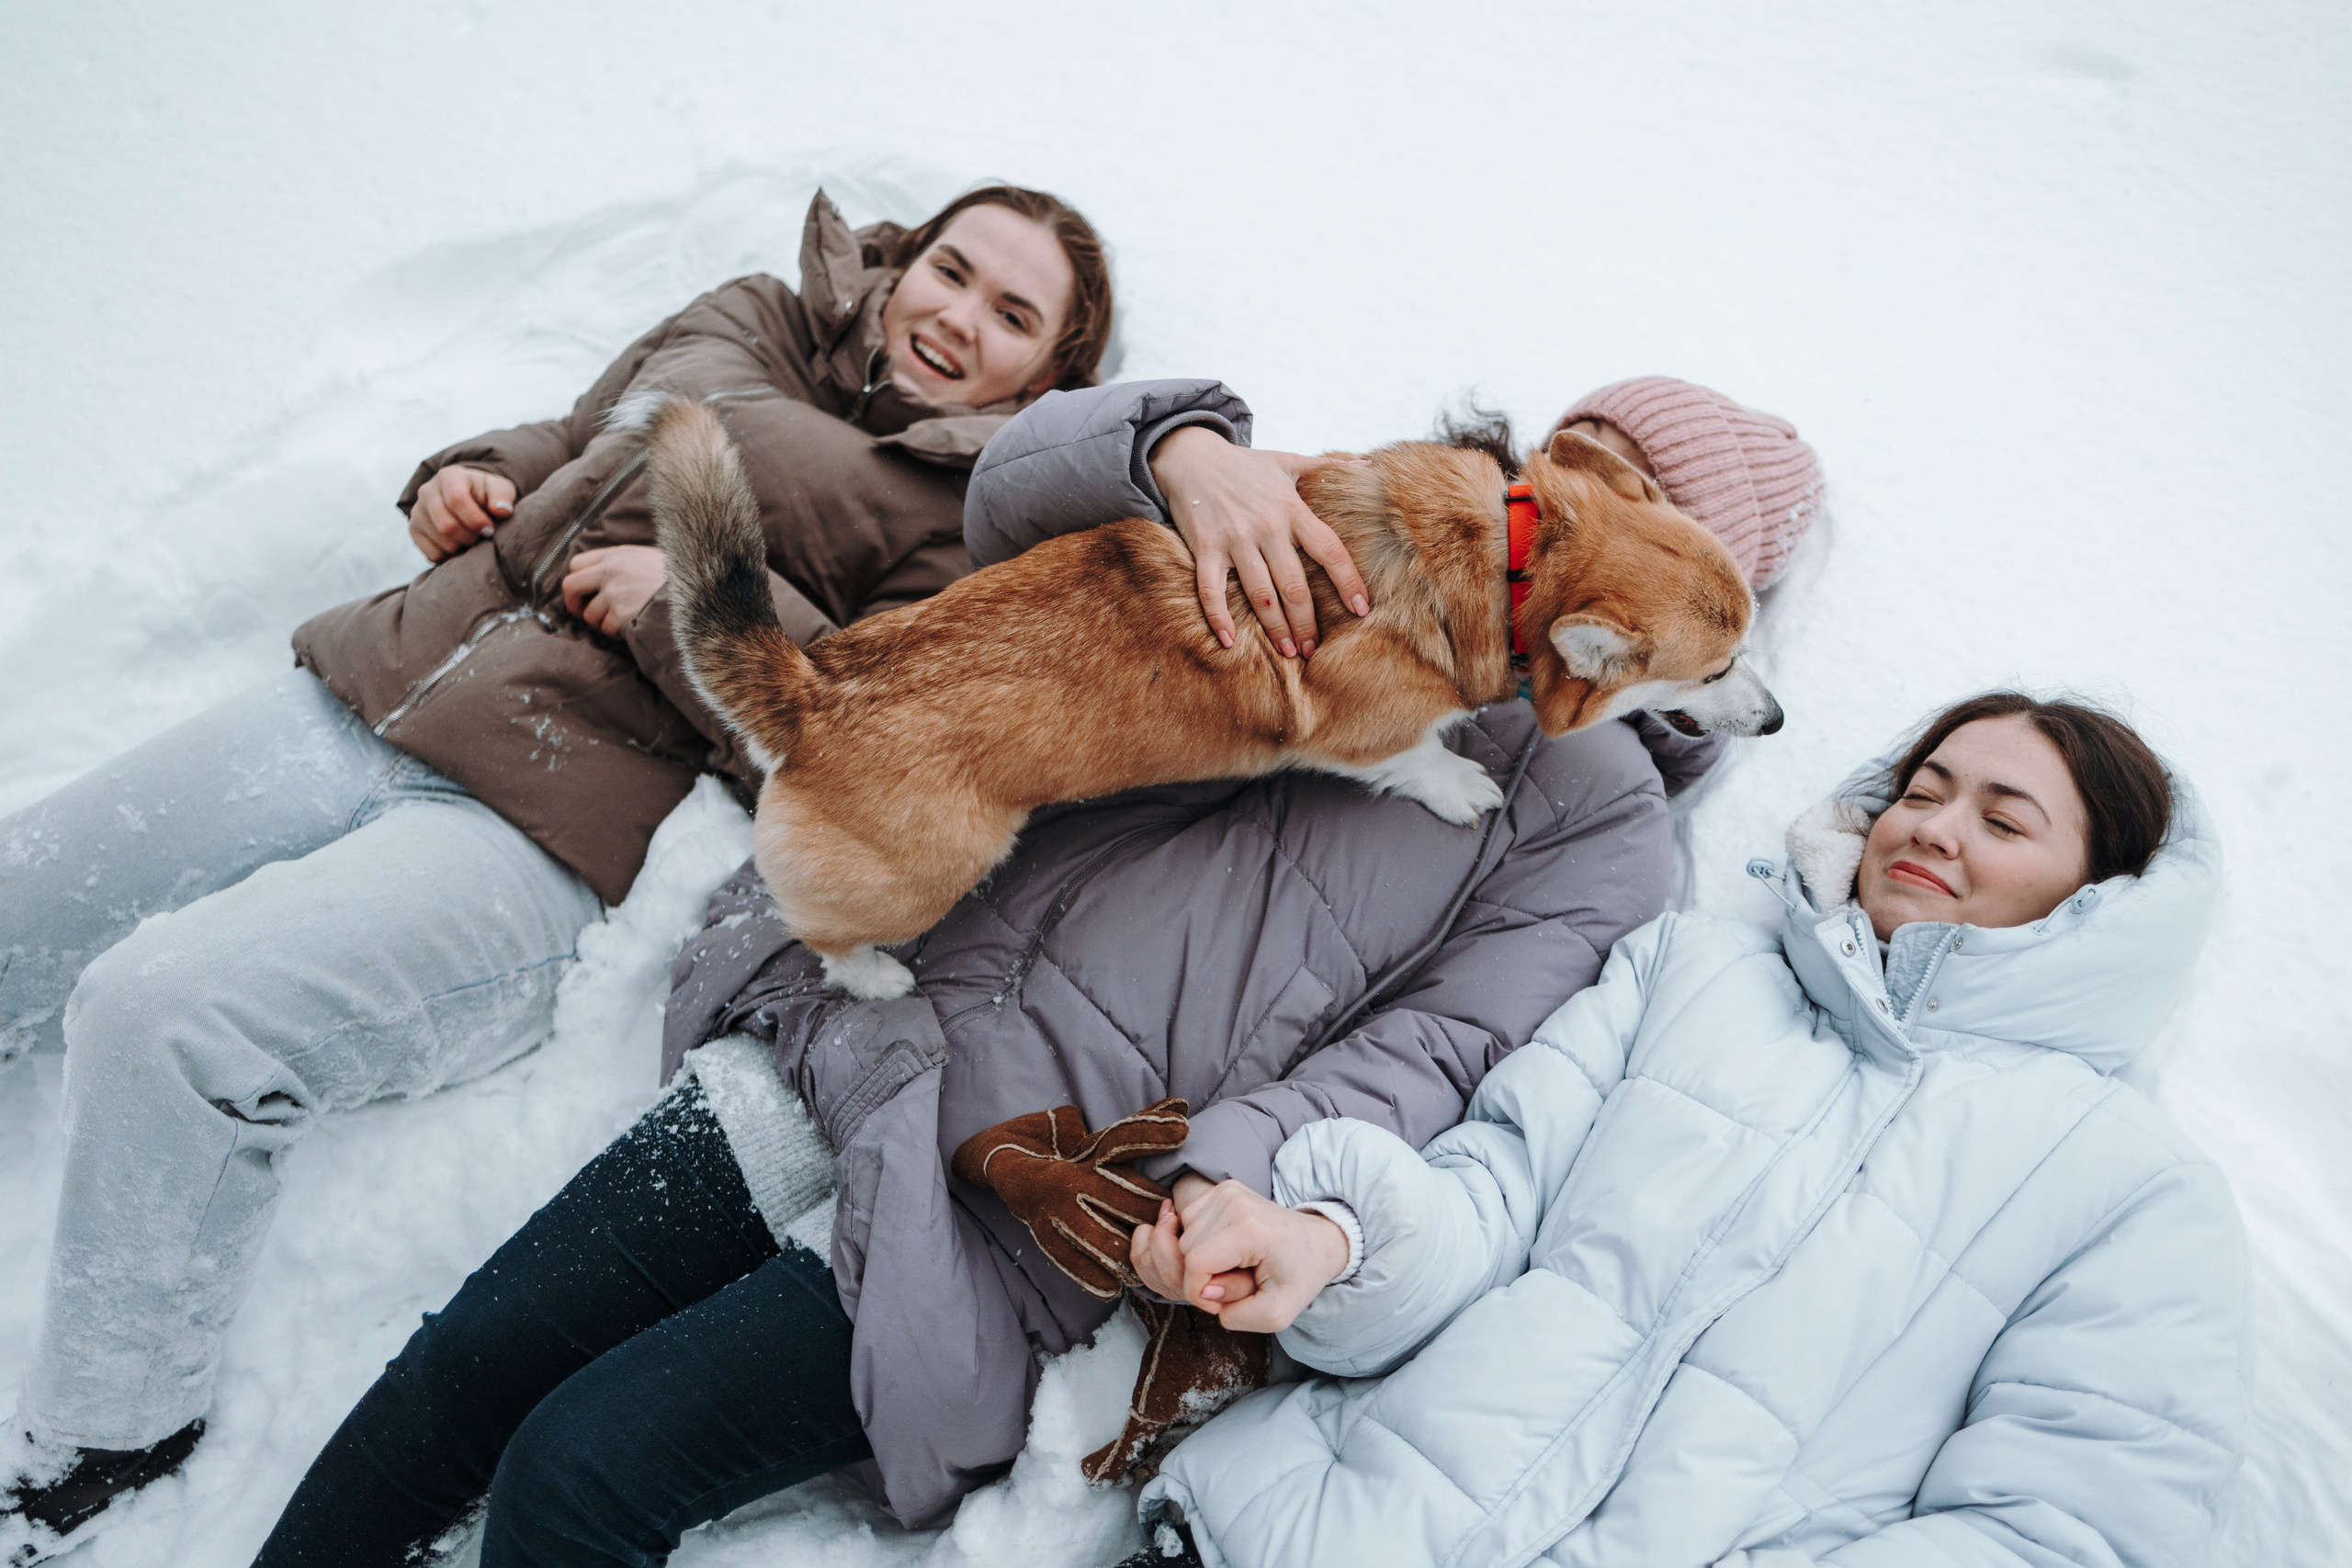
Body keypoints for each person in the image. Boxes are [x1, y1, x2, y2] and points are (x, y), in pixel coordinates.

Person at [246, 375, 1826, 1565]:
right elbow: (1008, 496)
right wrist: (1186, 452)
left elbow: (1429, 1057)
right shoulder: (1341, 523)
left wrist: (1239, 1177)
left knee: (578, 1468)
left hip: (1021, 1194)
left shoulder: (1598, 833)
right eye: (1583, 483)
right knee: (467, 1365)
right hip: (865, 1023)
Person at [0, 181, 1114, 1557]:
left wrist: (701, 600)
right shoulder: (751, 315)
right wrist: (470, 472)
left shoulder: (979, 524)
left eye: (1012, 315)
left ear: (1053, 371)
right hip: (379, 679)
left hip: (537, 820)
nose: (958, 317)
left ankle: (114, 1424)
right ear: (899, 264)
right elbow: (582, 432)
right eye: (950, 270)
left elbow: (864, 737)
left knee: (169, 1014)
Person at [1120, 693, 2246, 1568]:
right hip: (1303, 1528)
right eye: (1922, 789)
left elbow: (2065, 1530)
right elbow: (1497, 1189)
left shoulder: (2131, 1189)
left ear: (2101, 897)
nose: (1934, 828)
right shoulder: (1693, 972)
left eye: (2001, 821)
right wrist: (1332, 1246)